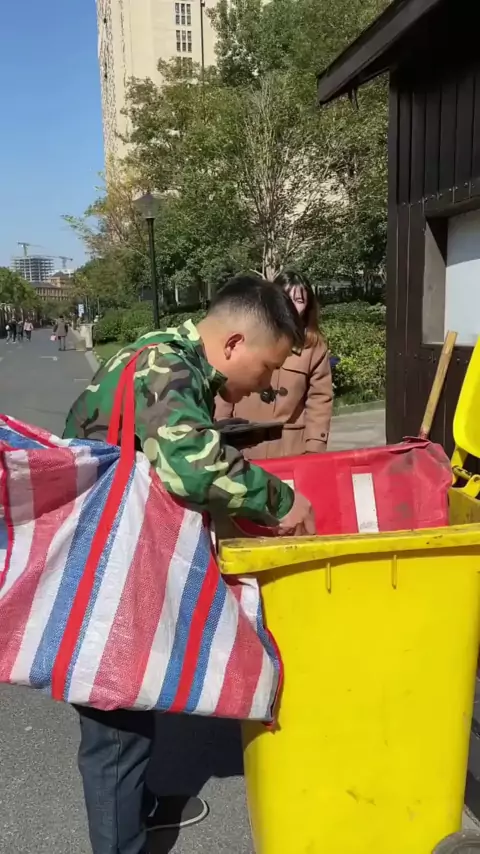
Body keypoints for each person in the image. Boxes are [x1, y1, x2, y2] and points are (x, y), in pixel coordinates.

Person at [63, 274, 315, 854]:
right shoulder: (168, 367)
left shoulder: (161, 353)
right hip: (107, 569)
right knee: (116, 726)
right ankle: (121, 837)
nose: (267, 384)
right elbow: (193, 466)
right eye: (267, 367)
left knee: (129, 707)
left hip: (108, 553)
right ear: (233, 344)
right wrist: (281, 500)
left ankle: (137, 807)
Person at [215, 271, 333, 458]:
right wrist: (221, 430)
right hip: (243, 448)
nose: (292, 306)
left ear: (308, 305)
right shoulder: (247, 335)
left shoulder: (313, 348)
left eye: (299, 300)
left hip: (292, 450)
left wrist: (314, 447)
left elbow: (319, 400)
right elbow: (226, 384)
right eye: (286, 298)